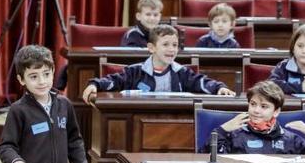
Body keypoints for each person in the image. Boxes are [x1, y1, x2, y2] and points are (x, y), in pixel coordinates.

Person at [82, 24, 234, 104]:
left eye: (174, 45)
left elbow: (202, 82)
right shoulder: (135, 71)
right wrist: (94, 84)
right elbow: (113, 81)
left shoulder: (182, 72)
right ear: (151, 48)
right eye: (166, 44)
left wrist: (220, 88)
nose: (171, 49)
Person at [206, 81, 305, 154]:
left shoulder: (290, 139)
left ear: (276, 112)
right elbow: (211, 158)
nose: (256, 110)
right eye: (253, 104)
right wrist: (222, 131)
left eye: (264, 106)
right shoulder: (234, 134)